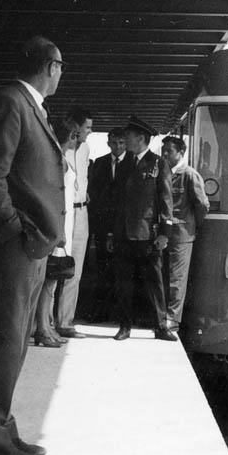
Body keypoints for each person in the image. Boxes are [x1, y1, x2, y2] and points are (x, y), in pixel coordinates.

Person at [0, 36, 66, 455]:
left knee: (16, 340)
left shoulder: (28, 107)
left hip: (32, 244)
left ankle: (1, 427)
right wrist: (12, 231)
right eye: (62, 66)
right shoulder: (12, 103)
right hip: (17, 246)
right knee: (7, 338)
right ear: (49, 66)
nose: (62, 74)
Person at [113, 115, 174, 342]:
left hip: (148, 234)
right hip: (123, 232)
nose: (125, 139)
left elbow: (166, 201)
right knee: (123, 282)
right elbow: (116, 201)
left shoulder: (158, 164)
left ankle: (161, 326)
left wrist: (164, 235)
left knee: (154, 282)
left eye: (128, 136)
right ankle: (124, 326)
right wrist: (112, 232)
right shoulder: (123, 164)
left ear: (140, 138)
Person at [33, 121, 78, 348]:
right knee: (47, 281)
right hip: (57, 227)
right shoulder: (58, 160)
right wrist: (58, 231)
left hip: (62, 226)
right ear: (71, 136)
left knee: (50, 280)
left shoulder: (59, 158)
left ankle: (46, 326)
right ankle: (42, 328)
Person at [160, 135, 209, 334]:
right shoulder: (163, 172)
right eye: (163, 151)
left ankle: (172, 319)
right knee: (164, 276)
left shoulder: (189, 174)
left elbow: (202, 204)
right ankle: (163, 315)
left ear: (181, 153)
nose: (164, 154)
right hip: (164, 233)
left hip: (181, 234)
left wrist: (192, 225)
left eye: (169, 151)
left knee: (176, 279)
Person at [86, 128, 133, 322]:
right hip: (103, 225)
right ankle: (101, 312)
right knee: (103, 267)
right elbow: (94, 193)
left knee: (124, 269)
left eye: (122, 143)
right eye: (114, 143)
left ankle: (121, 314)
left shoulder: (134, 162)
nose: (118, 146)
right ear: (108, 143)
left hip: (124, 225)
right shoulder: (100, 163)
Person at [55, 107, 92, 338]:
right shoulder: (57, 148)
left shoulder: (86, 148)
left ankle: (65, 322)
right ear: (75, 128)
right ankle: (45, 322)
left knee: (74, 270)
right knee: (52, 268)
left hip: (82, 213)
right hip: (63, 212)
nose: (90, 131)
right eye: (87, 127)